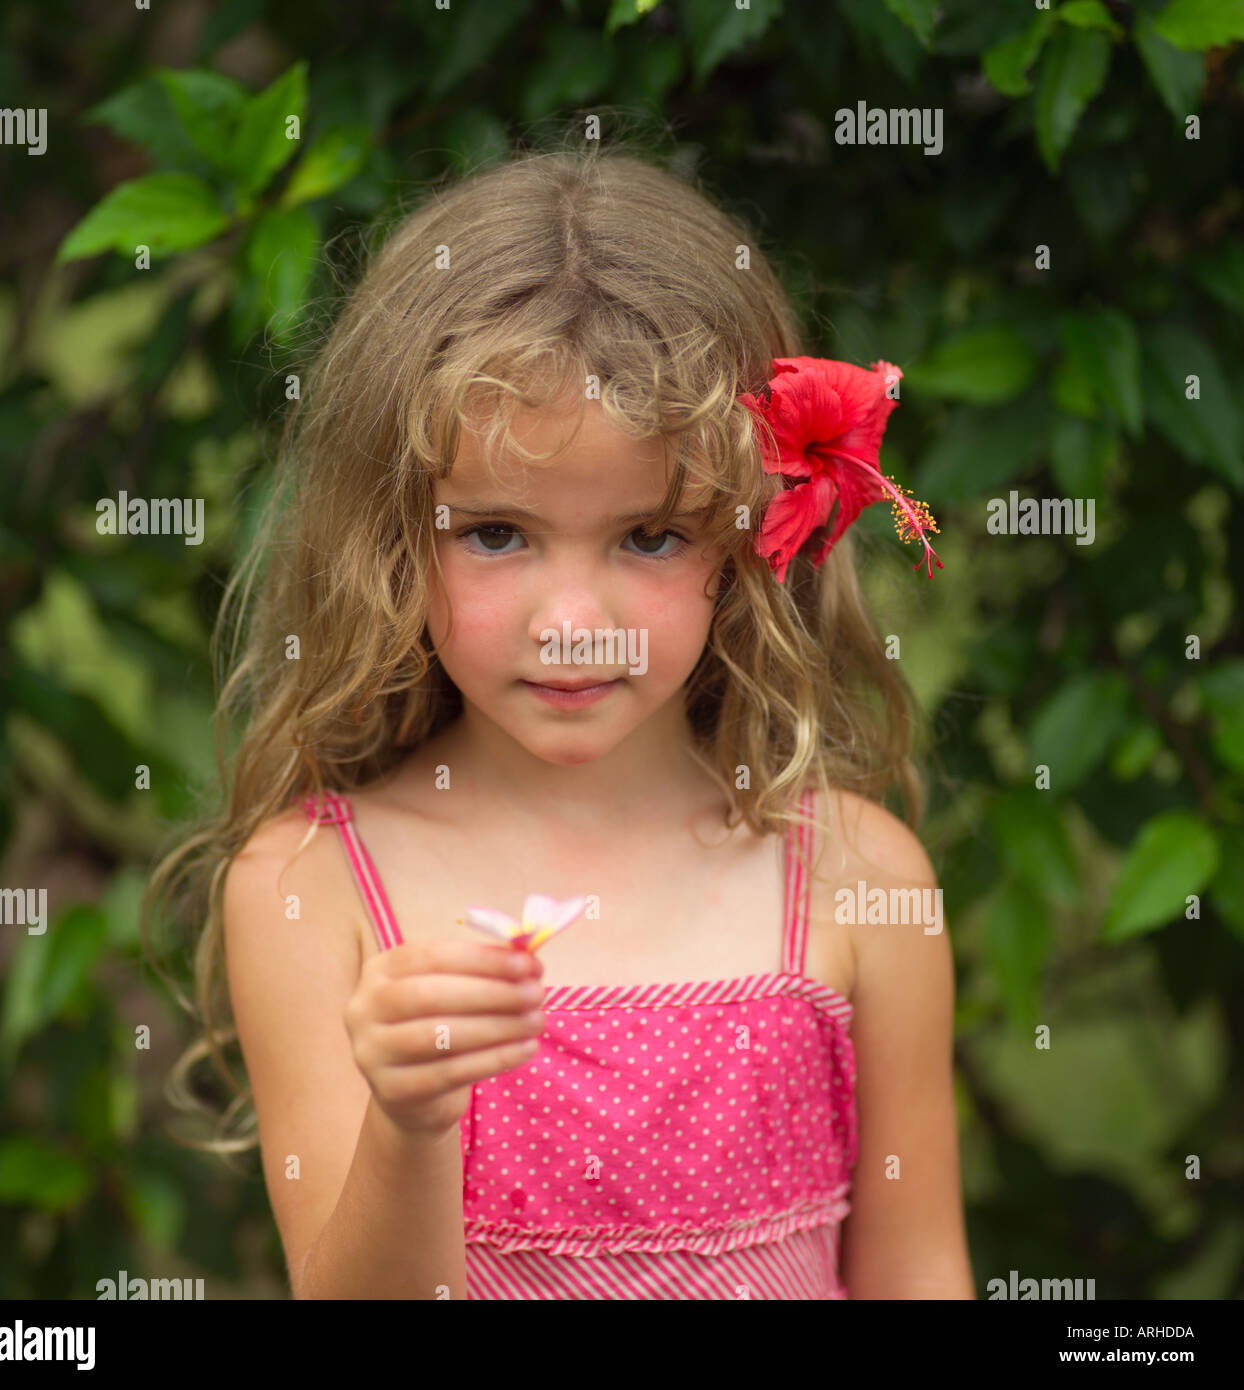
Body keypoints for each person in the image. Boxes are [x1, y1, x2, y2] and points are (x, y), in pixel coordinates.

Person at [153, 140, 974, 1299]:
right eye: (495, 533)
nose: (574, 621)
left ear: (749, 540)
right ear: (389, 539)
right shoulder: (312, 888)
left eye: (650, 536)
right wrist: (412, 1115)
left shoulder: (854, 876)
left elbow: (922, 1271)